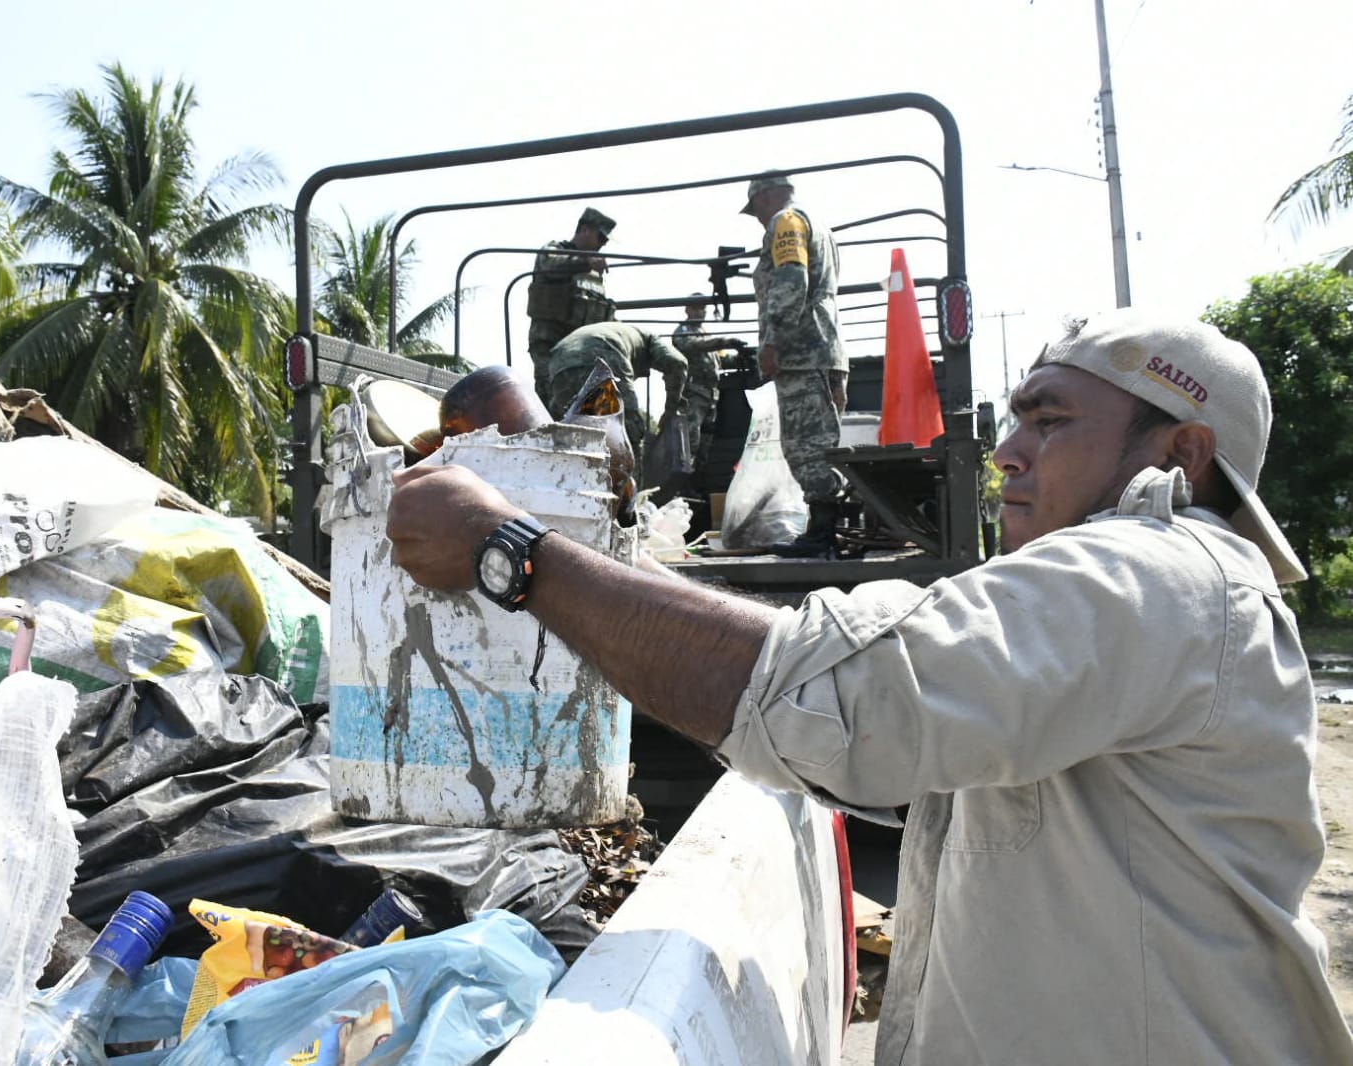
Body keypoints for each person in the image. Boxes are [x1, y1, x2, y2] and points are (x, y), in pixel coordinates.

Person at [383, 308, 1353, 1065]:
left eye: (1051, 420)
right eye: (1014, 416)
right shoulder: (1141, 609)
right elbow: (912, 754)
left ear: (1177, 456)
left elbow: (845, 699)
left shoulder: (1162, 575)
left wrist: (514, 554)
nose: (1009, 449)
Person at [743, 171, 850, 556]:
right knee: (819, 443)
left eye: (755, 208)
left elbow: (792, 280)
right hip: (821, 349)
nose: (757, 218)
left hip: (804, 354)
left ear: (766, 196)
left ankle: (823, 538)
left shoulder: (785, 221)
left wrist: (773, 341)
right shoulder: (816, 224)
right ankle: (825, 533)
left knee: (807, 448)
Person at [545, 320, 688, 460]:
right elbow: (678, 363)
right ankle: (630, 480)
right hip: (603, 351)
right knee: (627, 431)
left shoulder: (622, 333)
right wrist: (670, 410)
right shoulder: (650, 339)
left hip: (559, 362)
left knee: (570, 433)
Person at [526, 207, 617, 406]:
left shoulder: (593, 272)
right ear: (584, 230)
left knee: (593, 403)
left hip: (580, 349)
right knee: (551, 400)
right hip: (550, 342)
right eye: (600, 238)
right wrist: (586, 262)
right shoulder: (556, 250)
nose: (603, 244)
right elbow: (550, 265)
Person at [671, 293, 746, 468]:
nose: (701, 312)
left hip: (710, 397)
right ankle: (682, 484)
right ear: (687, 309)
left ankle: (698, 483)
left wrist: (741, 358)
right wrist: (724, 342)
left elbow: (719, 360)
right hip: (693, 394)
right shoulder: (683, 331)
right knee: (690, 442)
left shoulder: (705, 334)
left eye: (703, 308)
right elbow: (692, 345)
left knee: (706, 445)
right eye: (696, 308)